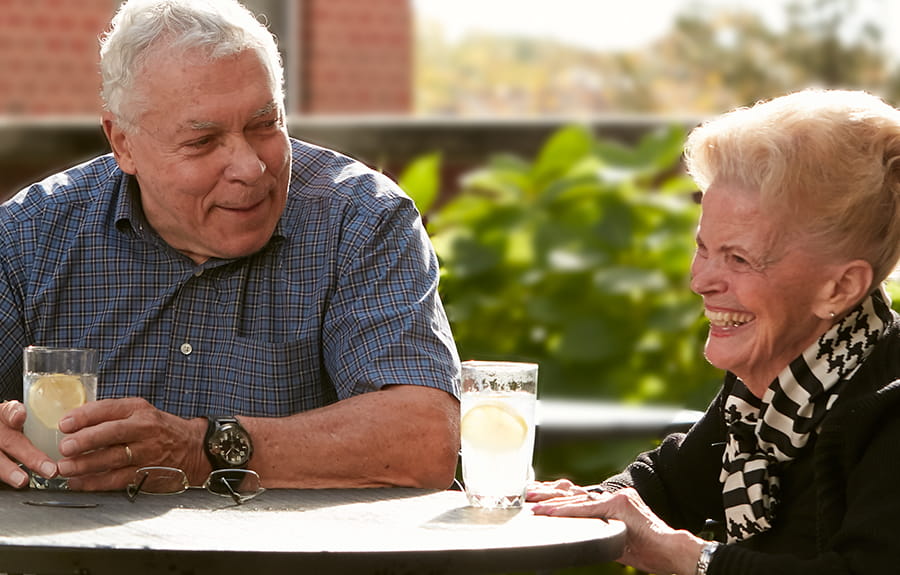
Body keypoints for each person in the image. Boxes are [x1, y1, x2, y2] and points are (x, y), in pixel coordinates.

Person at [0, 0, 460, 492]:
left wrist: (203, 451)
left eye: (265, 124)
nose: (250, 167)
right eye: (203, 141)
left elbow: (424, 440)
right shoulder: (31, 235)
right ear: (124, 144)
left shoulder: (358, 218)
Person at [527, 89, 900, 575]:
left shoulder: (887, 409)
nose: (699, 281)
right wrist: (590, 502)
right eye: (703, 248)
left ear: (840, 287)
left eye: (738, 259)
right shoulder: (773, 390)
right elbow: (668, 482)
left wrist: (689, 558)